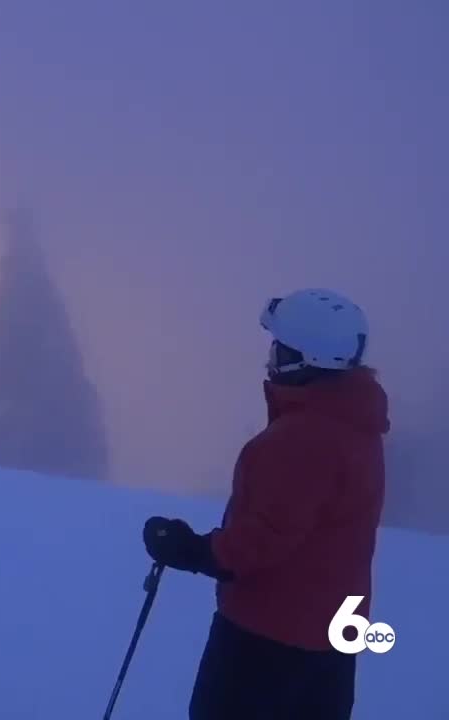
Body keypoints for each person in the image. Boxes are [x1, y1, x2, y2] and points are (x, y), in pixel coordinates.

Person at [142, 288, 387, 720]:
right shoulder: (356, 428)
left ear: (303, 359)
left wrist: (187, 549)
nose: (270, 359)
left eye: (280, 349)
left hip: (268, 639)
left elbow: (264, 540)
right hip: (330, 639)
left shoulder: (300, 439)